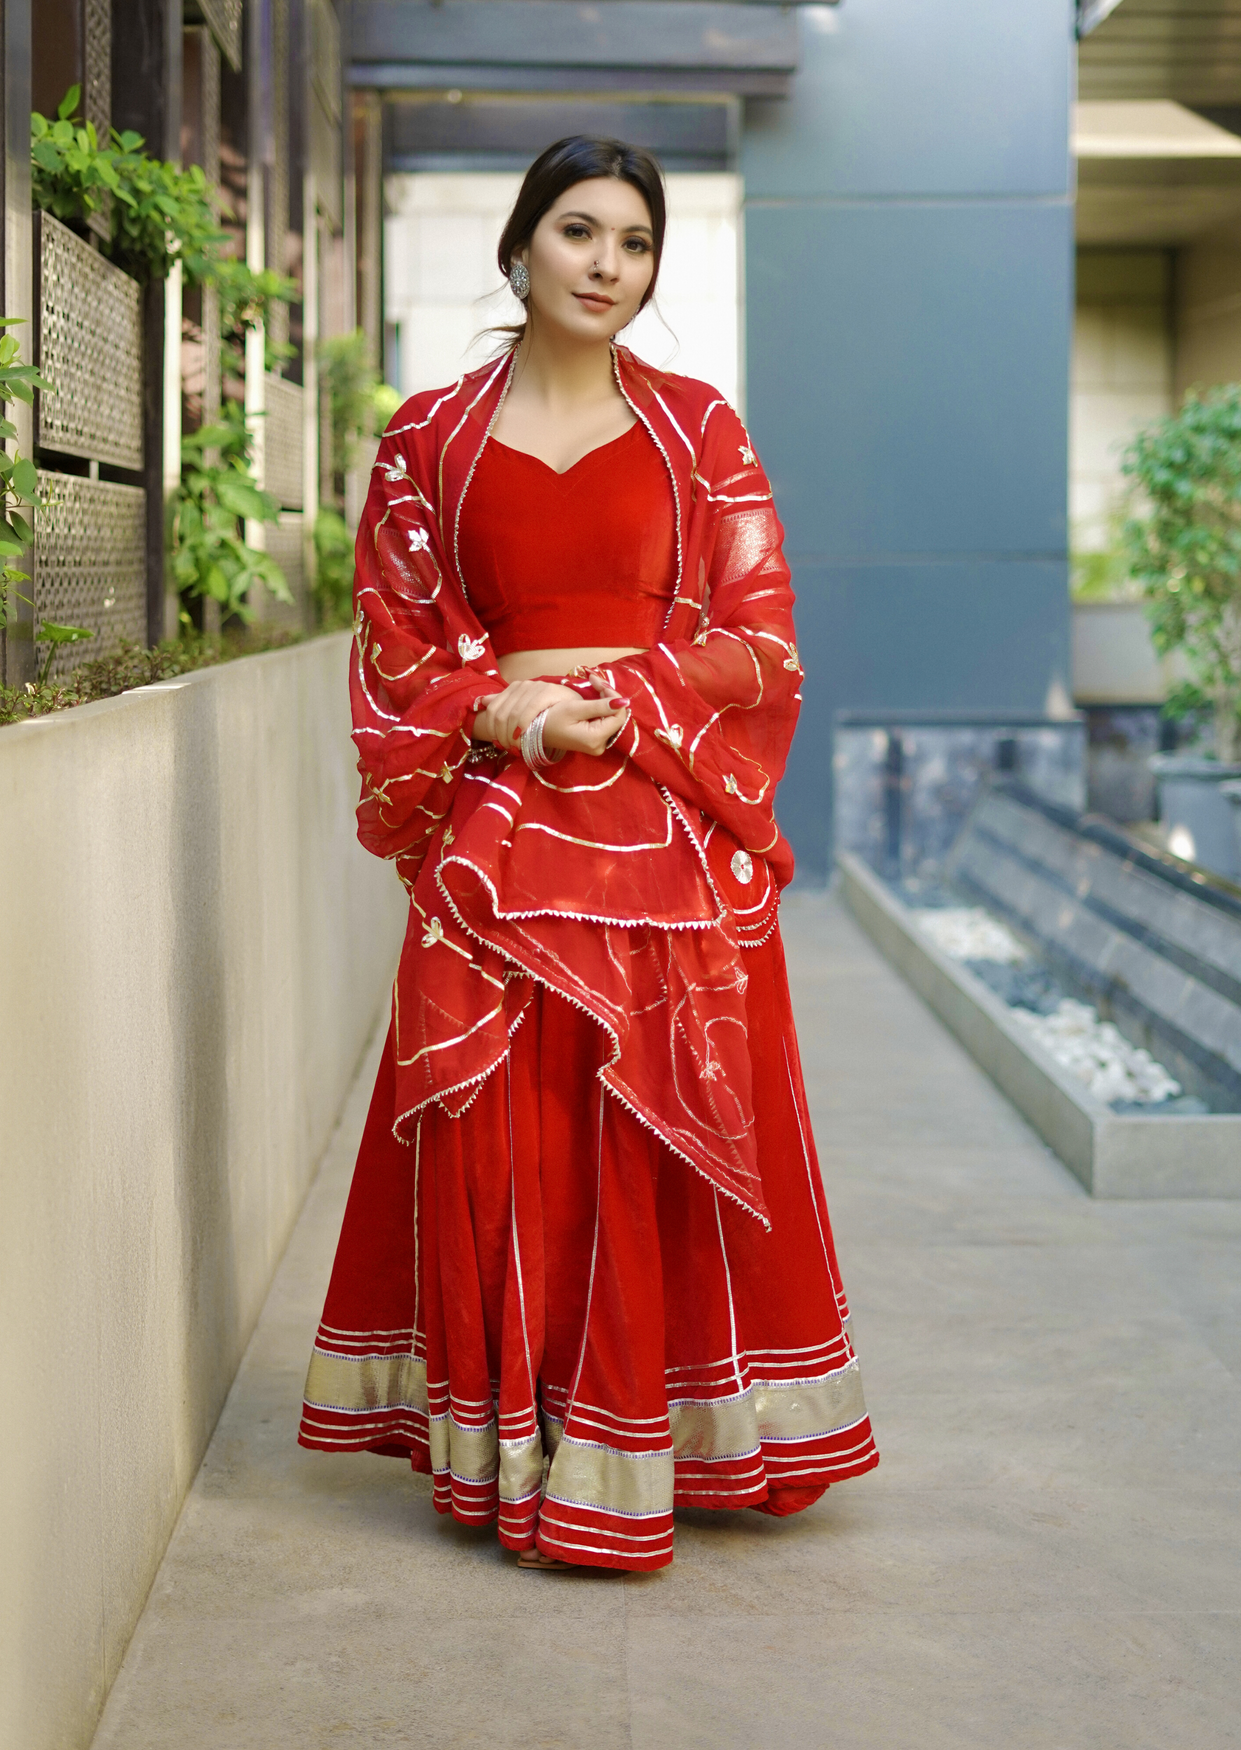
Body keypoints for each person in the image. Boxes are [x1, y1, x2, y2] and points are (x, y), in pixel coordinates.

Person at [299, 135, 878, 1572]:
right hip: (499, 814)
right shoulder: (428, 439)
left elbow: (761, 644)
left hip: (661, 820)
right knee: (511, 1128)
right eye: (579, 231)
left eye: (634, 241)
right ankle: (515, 1441)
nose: (607, 263)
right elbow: (392, 647)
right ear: (520, 248)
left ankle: (646, 1446)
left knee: (640, 1126)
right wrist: (504, 712)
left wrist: (623, 713)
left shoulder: (701, 432)